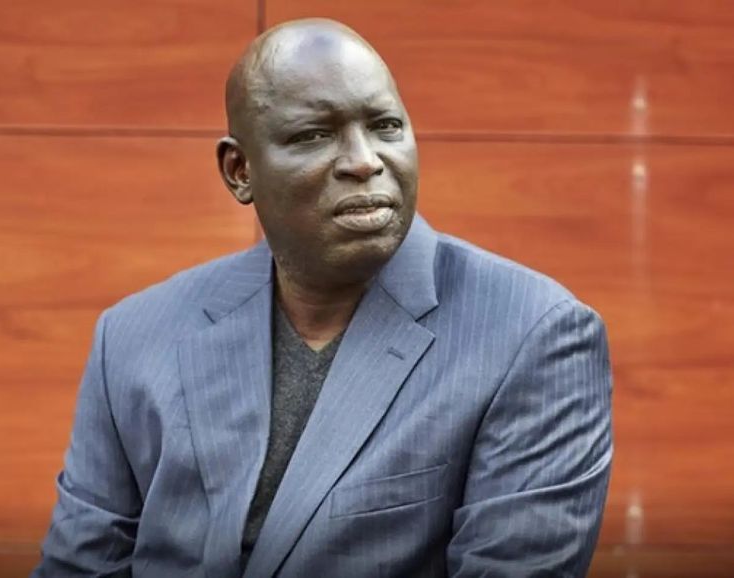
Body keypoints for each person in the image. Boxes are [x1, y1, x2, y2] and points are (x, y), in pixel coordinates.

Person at [33, 18, 612, 578]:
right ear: (240, 171)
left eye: (386, 126)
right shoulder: (133, 335)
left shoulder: (534, 335)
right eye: (314, 135)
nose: (365, 160)